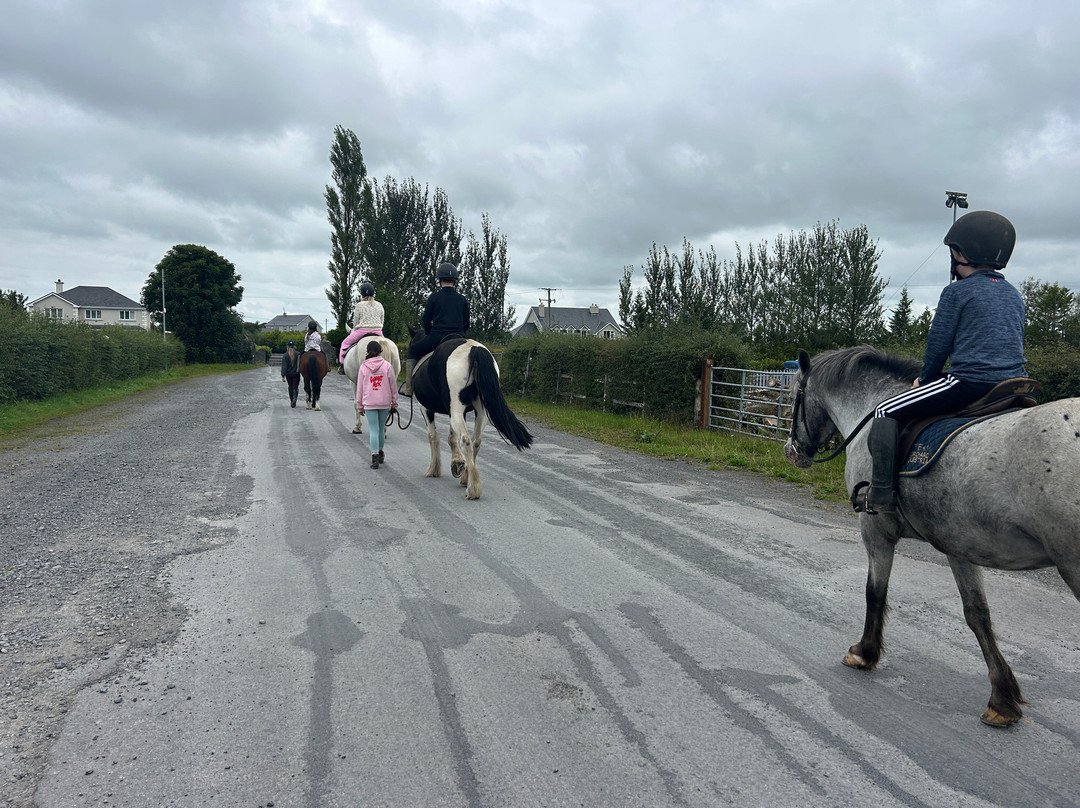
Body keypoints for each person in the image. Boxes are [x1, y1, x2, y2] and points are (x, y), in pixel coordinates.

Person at [860, 210, 1027, 514]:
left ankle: (882, 495)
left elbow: (938, 347)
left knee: (884, 409)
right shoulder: (1013, 294)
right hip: (1014, 385)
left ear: (963, 252)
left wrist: (924, 380)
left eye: (953, 250)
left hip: (969, 382)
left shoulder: (957, 292)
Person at [401, 262, 470, 396]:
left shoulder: (434, 297)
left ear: (439, 280)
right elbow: (466, 323)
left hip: (437, 337)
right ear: (455, 281)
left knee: (414, 349)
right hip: (459, 338)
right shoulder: (462, 299)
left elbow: (426, 320)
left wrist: (428, 333)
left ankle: (408, 387)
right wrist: (460, 334)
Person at [356, 340, 398, 469]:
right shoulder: (387, 366)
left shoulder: (363, 367)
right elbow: (393, 386)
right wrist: (394, 403)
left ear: (368, 351)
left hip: (369, 402)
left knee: (373, 430)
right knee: (381, 429)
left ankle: (374, 457)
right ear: (380, 351)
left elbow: (360, 388)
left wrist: (359, 405)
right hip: (384, 402)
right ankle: (380, 453)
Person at [338, 282, 384, 372]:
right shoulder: (379, 305)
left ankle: (342, 365)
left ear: (362, 294)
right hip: (378, 331)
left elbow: (355, 322)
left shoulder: (359, 305)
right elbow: (382, 320)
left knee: (344, 343)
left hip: (362, 331)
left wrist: (355, 329)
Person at [280, 339, 302, 408]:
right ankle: (295, 398)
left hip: (288, 374)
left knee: (290, 387)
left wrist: (283, 376)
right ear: (294, 346)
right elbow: (300, 364)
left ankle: (292, 399)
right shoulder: (298, 354)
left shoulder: (285, 355)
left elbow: (284, 366)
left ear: (288, 346)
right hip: (296, 374)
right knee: (295, 387)